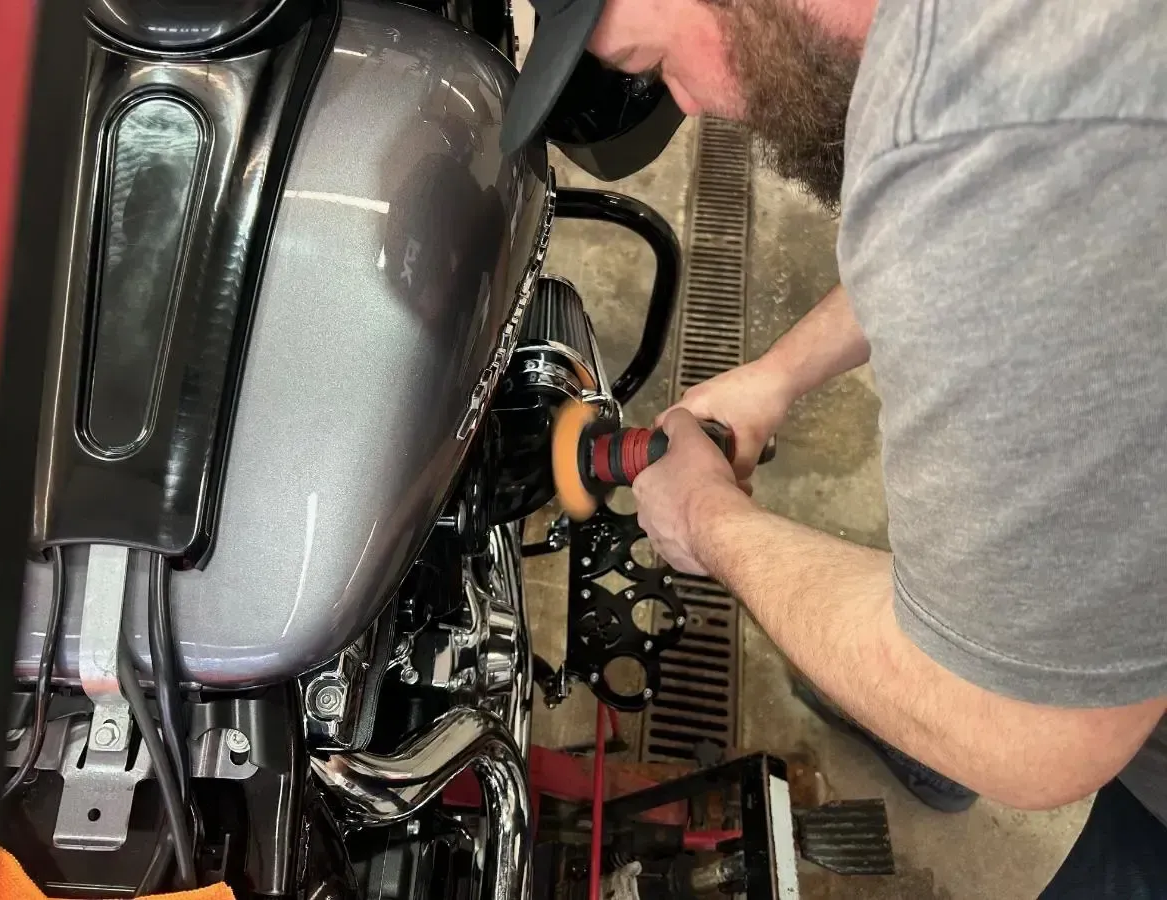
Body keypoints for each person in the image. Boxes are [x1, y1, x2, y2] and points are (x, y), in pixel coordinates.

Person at [500, 0, 1167, 896]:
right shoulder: (1002, 71)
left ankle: (922, 717)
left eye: (657, 65)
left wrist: (703, 518)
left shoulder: (978, 123)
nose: (690, 107)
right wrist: (777, 375)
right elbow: (1005, 238)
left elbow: (1029, 733)